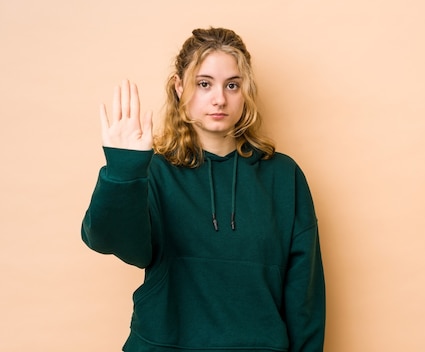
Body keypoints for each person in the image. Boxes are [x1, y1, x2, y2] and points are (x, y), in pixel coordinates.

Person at [81, 27, 325, 352]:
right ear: (180, 87)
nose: (219, 98)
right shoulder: (154, 171)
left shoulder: (284, 176)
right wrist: (124, 170)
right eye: (204, 83)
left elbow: (304, 299)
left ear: (245, 91)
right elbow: (112, 241)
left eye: (232, 85)